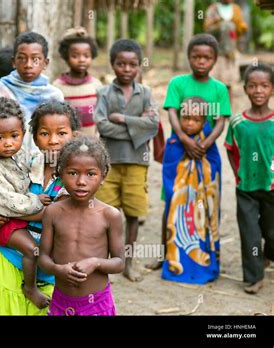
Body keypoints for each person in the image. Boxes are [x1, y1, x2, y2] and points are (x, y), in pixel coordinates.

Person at [0, 101, 81, 315]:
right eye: (45, 133)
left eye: (62, 133)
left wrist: (9, 215)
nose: (53, 140)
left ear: (75, 135)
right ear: (34, 137)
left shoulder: (79, 176)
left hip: (54, 268)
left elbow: (64, 220)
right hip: (12, 258)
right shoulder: (23, 165)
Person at [161, 34, 231, 284]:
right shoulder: (178, 83)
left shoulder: (219, 88)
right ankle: (168, 255)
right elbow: (171, 112)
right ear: (188, 57)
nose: (201, 61)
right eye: (196, 57)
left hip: (206, 150)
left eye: (207, 57)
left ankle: (206, 256)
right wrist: (184, 139)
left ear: (214, 60)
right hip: (179, 149)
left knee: (206, 203)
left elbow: (222, 119)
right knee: (173, 200)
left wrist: (206, 142)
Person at [0, 97, 50, 308]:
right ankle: (30, 287)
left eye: (14, 136)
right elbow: (8, 201)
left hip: (13, 216)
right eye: (0, 137)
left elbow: (35, 163)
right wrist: (36, 202)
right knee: (31, 249)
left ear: (23, 135)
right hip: (0, 221)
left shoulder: (20, 155)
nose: (8, 143)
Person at [94, 39, 159, 282]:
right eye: (121, 64)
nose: (127, 69)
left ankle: (128, 264)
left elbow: (153, 125)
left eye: (132, 64)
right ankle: (107, 265)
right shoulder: (104, 92)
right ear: (113, 64)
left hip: (136, 163)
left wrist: (122, 119)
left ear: (139, 67)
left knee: (133, 214)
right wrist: (137, 129)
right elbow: (102, 126)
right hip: (108, 163)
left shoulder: (147, 93)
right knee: (107, 215)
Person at [38, 136, 125, 316]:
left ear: (103, 176)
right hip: (60, 302)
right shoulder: (53, 212)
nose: (81, 182)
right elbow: (43, 258)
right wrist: (57, 269)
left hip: (97, 304)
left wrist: (95, 263)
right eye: (73, 173)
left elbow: (119, 263)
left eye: (91, 174)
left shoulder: (110, 215)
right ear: (61, 173)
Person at [224, 62, 274, 294]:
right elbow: (230, 149)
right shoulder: (237, 122)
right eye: (252, 86)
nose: (258, 91)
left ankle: (268, 254)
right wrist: (238, 175)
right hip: (246, 187)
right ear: (245, 89)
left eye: (264, 85)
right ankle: (254, 277)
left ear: (272, 89)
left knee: (271, 231)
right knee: (250, 233)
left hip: (271, 187)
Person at [161, 97, 222, 284]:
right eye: (185, 118)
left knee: (204, 222)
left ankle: (204, 264)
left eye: (196, 120)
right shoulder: (173, 143)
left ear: (204, 121)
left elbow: (214, 170)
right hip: (181, 205)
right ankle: (176, 265)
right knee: (178, 226)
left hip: (202, 204)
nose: (189, 123)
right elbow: (169, 170)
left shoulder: (209, 144)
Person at [0, 32, 64, 153]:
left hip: (44, 161)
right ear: (13, 61)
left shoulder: (54, 96)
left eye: (36, 59)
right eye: (22, 58)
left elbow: (60, 133)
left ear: (45, 63)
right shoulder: (0, 94)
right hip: (8, 161)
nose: (28, 65)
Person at [53, 27, 102, 137]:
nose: (81, 60)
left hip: (93, 143)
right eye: (75, 56)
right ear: (66, 57)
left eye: (86, 55)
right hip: (68, 145)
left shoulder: (96, 85)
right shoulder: (58, 87)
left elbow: (101, 115)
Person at [204, 0, 248, 103]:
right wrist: (221, 25)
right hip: (216, 53)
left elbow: (241, 28)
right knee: (214, 82)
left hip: (231, 54)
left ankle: (227, 111)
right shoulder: (213, 9)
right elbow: (207, 28)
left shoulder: (236, 9)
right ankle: (213, 111)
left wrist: (238, 28)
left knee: (229, 84)